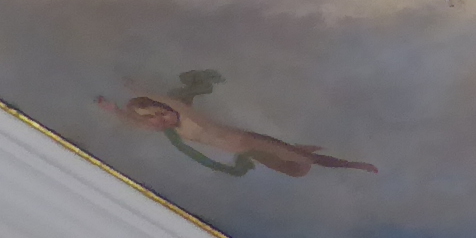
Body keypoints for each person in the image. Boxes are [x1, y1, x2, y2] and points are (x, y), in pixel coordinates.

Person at [98, 71, 374, 177]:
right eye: (154, 119)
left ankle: (354, 165)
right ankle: (300, 150)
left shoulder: (189, 117)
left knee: (303, 160)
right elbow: (142, 125)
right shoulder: (172, 129)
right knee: (292, 170)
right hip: (246, 150)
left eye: (160, 113)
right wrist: (116, 112)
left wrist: (143, 91)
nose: (160, 121)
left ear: (166, 108)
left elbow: (171, 104)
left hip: (250, 141)